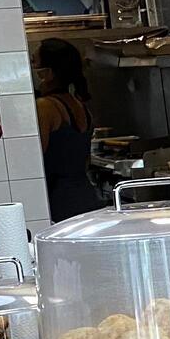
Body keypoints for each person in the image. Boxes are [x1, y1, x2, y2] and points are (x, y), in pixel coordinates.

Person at [33, 38, 103, 219]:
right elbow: (85, 161)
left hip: (60, 202)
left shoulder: (45, 107)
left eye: (34, 63)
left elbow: (35, 160)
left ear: (48, 73)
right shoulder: (80, 105)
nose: (32, 69)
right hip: (85, 196)